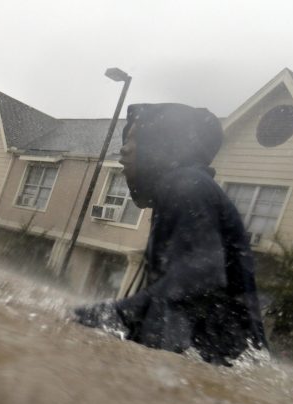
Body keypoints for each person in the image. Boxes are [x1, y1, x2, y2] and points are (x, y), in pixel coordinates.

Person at [73, 103, 267, 366]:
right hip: (224, 367)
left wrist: (110, 316)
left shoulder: (187, 187)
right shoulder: (185, 187)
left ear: (161, 144)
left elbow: (196, 279)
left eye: (134, 139)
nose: (124, 147)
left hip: (224, 369)